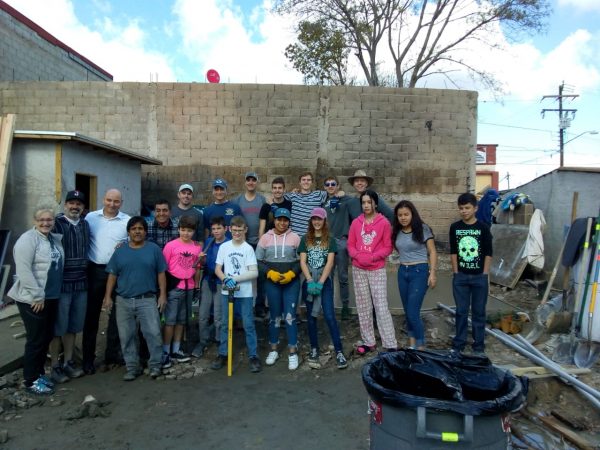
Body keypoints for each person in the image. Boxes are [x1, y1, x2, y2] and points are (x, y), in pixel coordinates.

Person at [103, 216, 167, 381]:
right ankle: (132, 367)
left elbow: (161, 273)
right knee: (127, 336)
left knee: (153, 333)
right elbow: (112, 275)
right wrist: (108, 297)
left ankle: (155, 366)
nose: (137, 232)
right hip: (123, 300)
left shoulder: (154, 249)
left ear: (145, 231)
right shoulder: (120, 251)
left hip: (147, 299)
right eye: (134, 229)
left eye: (140, 229)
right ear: (129, 232)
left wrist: (162, 295)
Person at [8, 206, 64, 395]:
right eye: (42, 220)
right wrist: (37, 295)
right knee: (36, 339)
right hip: (33, 299)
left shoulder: (52, 239)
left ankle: (39, 374)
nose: (46, 223)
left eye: (49, 220)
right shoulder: (27, 240)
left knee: (45, 337)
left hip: (50, 297)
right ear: (35, 221)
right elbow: (23, 270)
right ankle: (30, 381)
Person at [83, 189, 130, 375]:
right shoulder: (90, 218)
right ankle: (88, 359)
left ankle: (112, 354)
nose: (112, 204)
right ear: (103, 199)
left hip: (118, 273)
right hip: (95, 271)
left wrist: (125, 245)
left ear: (121, 202)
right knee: (91, 316)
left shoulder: (127, 221)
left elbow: (133, 240)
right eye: (109, 200)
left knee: (118, 314)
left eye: (116, 201)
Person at [347, 190, 397, 354]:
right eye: (364, 202)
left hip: (376, 269)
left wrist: (373, 257)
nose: (366, 205)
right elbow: (351, 245)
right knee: (363, 307)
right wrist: (359, 257)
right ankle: (369, 342)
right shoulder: (356, 223)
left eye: (369, 202)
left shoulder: (383, 223)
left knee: (381, 306)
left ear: (375, 203)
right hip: (358, 269)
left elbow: (388, 247)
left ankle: (390, 343)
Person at [210, 216, 261, 373]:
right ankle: (223, 353)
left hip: (245, 293)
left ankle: (253, 356)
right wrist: (225, 279)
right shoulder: (224, 247)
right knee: (226, 323)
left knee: (248, 324)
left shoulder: (248, 249)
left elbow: (254, 272)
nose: (237, 233)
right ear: (229, 229)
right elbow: (218, 268)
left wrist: (235, 278)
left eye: (240, 230)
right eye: (234, 230)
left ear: (245, 230)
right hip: (227, 291)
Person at [299, 208, 348, 370]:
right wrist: (309, 281)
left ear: (324, 221)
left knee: (329, 315)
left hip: (324, 282)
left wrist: (320, 282)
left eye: (319, 219)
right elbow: (303, 261)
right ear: (311, 221)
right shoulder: (305, 239)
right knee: (311, 317)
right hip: (309, 280)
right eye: (314, 219)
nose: (317, 222)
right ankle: (314, 349)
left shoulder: (330, 239)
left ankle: (339, 350)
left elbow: (330, 262)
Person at [49, 191, 89, 383]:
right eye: (71, 203)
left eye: (78, 204)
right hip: (62, 285)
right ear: (65, 205)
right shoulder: (56, 224)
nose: (75, 207)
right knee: (58, 327)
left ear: (83, 207)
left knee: (73, 326)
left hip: (81, 284)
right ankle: (55, 366)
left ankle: (68, 362)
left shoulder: (85, 224)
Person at [255, 208, 302, 370]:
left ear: (289, 221)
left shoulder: (295, 238)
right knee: (274, 316)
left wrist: (292, 273)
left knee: (290, 317)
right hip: (272, 282)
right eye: (279, 219)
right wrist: (269, 273)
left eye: (285, 220)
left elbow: (301, 261)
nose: (282, 223)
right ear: (274, 220)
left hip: (291, 283)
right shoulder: (265, 239)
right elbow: (258, 261)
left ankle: (292, 351)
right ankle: (273, 349)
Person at [449, 192, 493, 356]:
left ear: (475, 208)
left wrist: (484, 274)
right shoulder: (455, 227)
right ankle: (459, 344)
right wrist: (456, 272)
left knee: (479, 312)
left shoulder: (483, 228)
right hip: (460, 277)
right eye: (461, 208)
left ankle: (478, 346)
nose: (464, 211)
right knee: (461, 311)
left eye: (467, 208)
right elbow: (453, 251)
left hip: (479, 277)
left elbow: (488, 253)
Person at [392, 200, 437, 349]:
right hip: (402, 272)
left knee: (412, 312)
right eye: (400, 215)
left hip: (419, 272)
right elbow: (400, 250)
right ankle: (412, 346)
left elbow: (432, 251)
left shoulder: (422, 229)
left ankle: (421, 348)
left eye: (406, 214)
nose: (403, 217)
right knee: (408, 312)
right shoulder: (397, 231)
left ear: (412, 214)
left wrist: (433, 273)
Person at [160, 216, 202, 368]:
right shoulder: (171, 246)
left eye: (189, 231)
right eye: (183, 230)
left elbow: (197, 268)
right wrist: (163, 290)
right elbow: (163, 268)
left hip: (189, 286)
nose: (186, 233)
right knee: (170, 321)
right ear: (178, 230)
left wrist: (197, 287)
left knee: (181, 321)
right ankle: (165, 352)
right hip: (174, 286)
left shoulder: (197, 247)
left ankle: (176, 349)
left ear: (193, 231)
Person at [192, 216, 230, 358]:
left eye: (218, 228)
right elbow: (203, 263)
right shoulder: (209, 242)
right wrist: (201, 259)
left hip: (221, 282)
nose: (216, 231)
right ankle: (203, 341)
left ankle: (220, 340)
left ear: (225, 228)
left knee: (218, 316)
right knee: (202, 315)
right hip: (207, 280)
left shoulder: (229, 244)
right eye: (213, 229)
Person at [233, 171, 267, 318]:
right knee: (241, 274)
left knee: (260, 275)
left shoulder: (262, 199)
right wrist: (242, 241)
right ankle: (240, 307)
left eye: (254, 180)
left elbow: (263, 220)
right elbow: (237, 222)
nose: (251, 182)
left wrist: (260, 239)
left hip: (258, 242)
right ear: (245, 182)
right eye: (249, 180)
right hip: (243, 243)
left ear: (256, 182)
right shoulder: (238, 200)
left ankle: (259, 306)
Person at [322, 175, 353, 320]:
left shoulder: (345, 200)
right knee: (328, 275)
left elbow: (354, 202)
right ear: (324, 187)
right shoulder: (323, 202)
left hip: (341, 241)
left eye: (333, 184)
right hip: (327, 242)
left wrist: (343, 195)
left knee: (343, 276)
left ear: (338, 186)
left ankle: (345, 306)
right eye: (327, 184)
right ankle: (329, 306)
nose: (330, 186)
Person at [284, 172, 327, 237]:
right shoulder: (293, 195)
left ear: (312, 182)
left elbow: (333, 192)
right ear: (300, 182)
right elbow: (276, 197)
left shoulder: (319, 195)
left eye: (308, 180)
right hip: (294, 237)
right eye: (303, 180)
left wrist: (341, 192)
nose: (306, 182)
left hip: (311, 237)